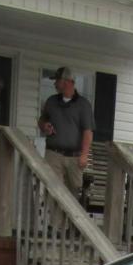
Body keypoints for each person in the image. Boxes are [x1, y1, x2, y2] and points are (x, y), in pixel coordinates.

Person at [37, 66, 93, 202]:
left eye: (57, 80)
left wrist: (84, 155)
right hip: (53, 154)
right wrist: (44, 126)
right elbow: (42, 119)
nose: (54, 83)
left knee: (73, 193)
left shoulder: (83, 105)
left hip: (74, 157)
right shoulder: (51, 101)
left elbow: (88, 131)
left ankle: (68, 223)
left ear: (67, 82)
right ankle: (56, 223)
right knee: (54, 190)